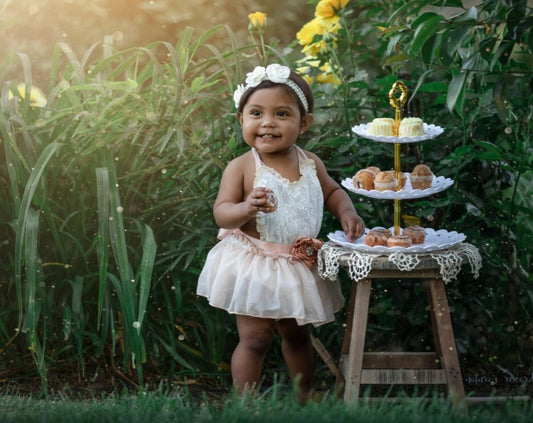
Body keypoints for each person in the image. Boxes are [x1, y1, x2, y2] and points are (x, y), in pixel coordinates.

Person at [197, 63, 365, 400]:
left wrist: (347, 211)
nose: (268, 122)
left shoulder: (310, 162)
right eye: (256, 113)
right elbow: (222, 212)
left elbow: (332, 191)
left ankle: (305, 395)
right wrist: (245, 208)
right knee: (255, 338)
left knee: (298, 336)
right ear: (241, 119)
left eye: (282, 114)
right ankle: (246, 403)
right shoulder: (243, 167)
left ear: (303, 124)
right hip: (255, 263)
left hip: (297, 264)